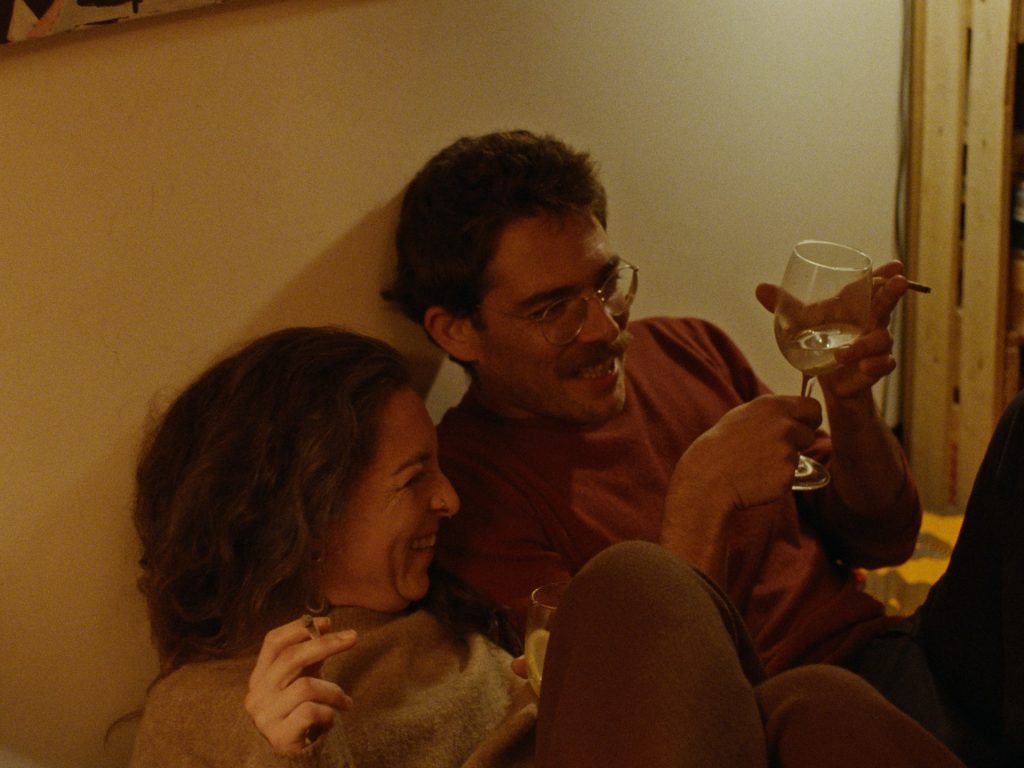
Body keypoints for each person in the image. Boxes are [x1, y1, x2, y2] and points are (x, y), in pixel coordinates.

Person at [384, 129, 1022, 766]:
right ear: (457, 332)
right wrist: (702, 498)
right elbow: (629, 718)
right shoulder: (465, 490)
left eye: (605, 285)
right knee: (818, 700)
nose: (605, 326)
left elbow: (883, 539)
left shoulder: (687, 346)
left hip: (894, 659)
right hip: (765, 727)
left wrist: (849, 399)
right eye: (554, 310)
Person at [127, 326, 962, 767]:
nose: (448, 500)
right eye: (415, 479)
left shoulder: (438, 617)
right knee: (633, 580)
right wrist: (286, 758)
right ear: (308, 518)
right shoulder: (206, 707)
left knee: (815, 702)